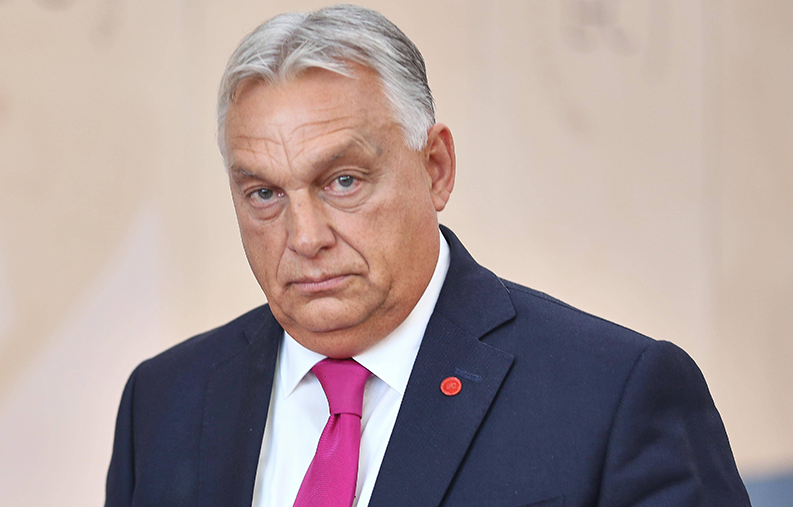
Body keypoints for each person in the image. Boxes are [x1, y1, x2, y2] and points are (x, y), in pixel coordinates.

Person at [105, 5, 750, 507]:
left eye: (343, 181)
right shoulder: (162, 404)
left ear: (436, 168)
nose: (304, 236)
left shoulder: (611, 396)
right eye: (265, 194)